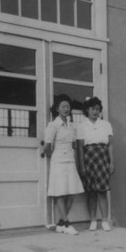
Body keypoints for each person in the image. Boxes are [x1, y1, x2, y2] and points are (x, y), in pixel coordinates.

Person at [44, 94, 84, 235]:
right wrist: (50, 154)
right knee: (60, 192)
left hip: (70, 160)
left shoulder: (72, 125)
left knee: (72, 192)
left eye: (67, 107)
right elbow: (47, 146)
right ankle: (66, 223)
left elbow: (74, 144)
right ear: (57, 109)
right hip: (58, 161)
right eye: (63, 107)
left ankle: (61, 223)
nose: (66, 109)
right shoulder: (53, 125)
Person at [77, 97, 114, 231]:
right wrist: (82, 166)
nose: (95, 112)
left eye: (98, 109)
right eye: (93, 109)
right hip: (89, 158)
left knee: (102, 191)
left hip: (103, 158)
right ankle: (93, 220)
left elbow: (110, 145)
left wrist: (111, 163)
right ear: (87, 109)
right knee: (91, 191)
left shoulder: (105, 125)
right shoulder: (81, 125)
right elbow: (80, 147)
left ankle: (104, 220)